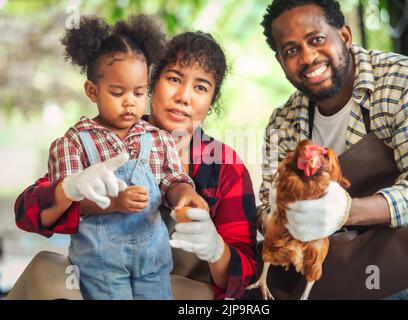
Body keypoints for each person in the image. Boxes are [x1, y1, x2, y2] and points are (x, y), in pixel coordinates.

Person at [12, 31, 258, 300]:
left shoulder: (225, 167)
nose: (184, 97)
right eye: (174, 79)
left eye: (201, 87)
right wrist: (69, 190)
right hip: (105, 282)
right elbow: (28, 213)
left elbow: (244, 278)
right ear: (151, 83)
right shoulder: (102, 140)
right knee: (46, 267)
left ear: (211, 101)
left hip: (174, 293)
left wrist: (215, 248)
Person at [256, 0, 408, 299]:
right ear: (281, 62)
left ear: (344, 36)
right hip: (336, 256)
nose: (307, 57)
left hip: (407, 246)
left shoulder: (406, 82)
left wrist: (344, 212)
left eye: (316, 40)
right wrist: (280, 218)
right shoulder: (283, 122)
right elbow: (267, 206)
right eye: (291, 50)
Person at [49, 14, 211, 300]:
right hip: (101, 266)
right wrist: (114, 203)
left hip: (153, 260)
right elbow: (68, 203)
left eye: (138, 92)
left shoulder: (157, 138)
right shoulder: (74, 142)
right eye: (117, 92)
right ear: (92, 91)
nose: (130, 102)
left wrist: (185, 194)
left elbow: (172, 179)